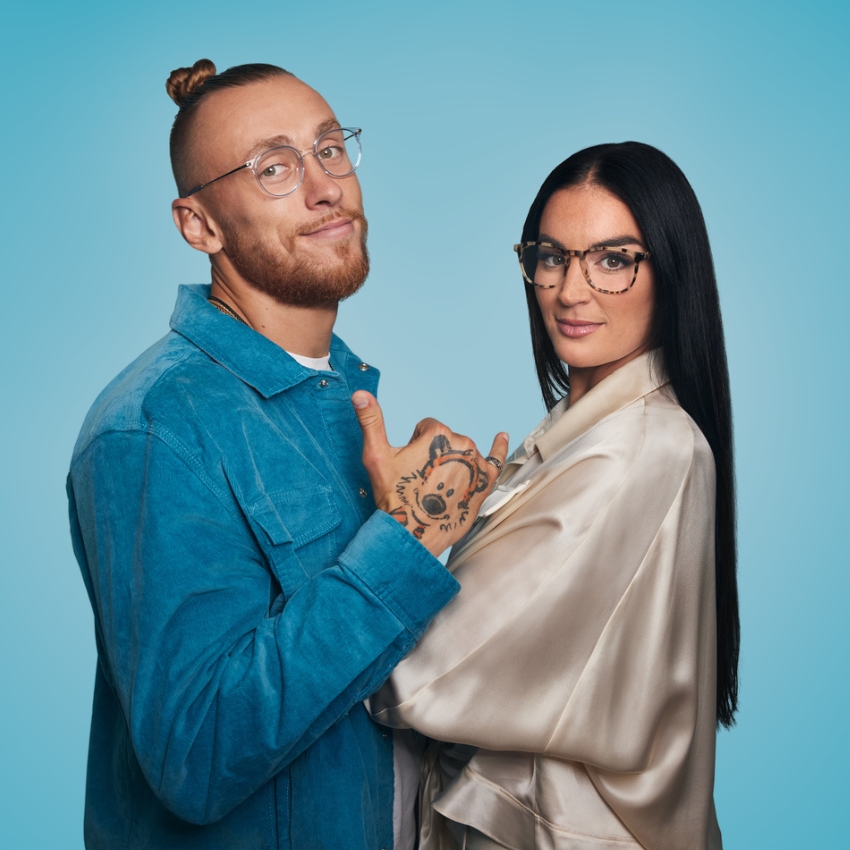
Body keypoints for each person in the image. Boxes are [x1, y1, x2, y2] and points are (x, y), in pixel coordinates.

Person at [66, 58, 508, 850]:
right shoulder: (154, 428)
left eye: (330, 148)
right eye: (274, 168)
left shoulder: (339, 395)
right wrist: (407, 540)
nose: (324, 185)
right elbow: (195, 758)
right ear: (199, 226)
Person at [370, 142, 740, 850]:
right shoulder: (576, 437)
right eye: (550, 256)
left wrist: (402, 528)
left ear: (672, 272)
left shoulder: (642, 449)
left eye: (613, 259)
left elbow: (419, 676)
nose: (571, 291)